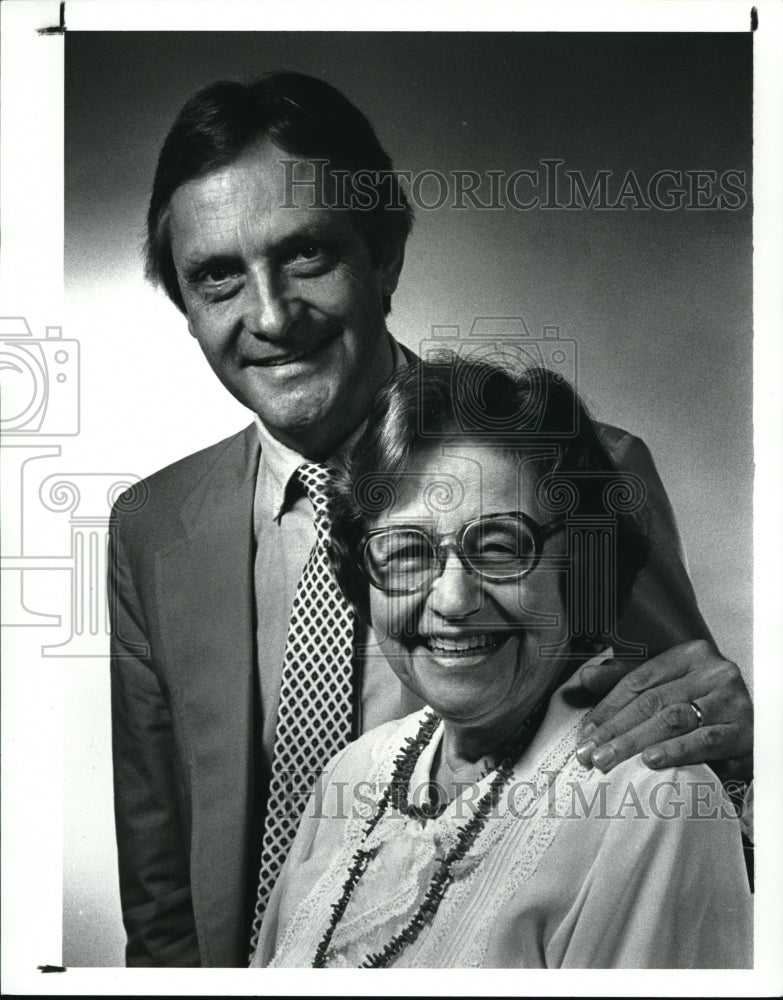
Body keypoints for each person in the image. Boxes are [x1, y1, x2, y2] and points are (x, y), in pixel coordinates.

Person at [109, 71, 752, 967]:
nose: (270, 315)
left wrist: (741, 742)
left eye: (306, 255)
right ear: (184, 306)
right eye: (217, 276)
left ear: (383, 260)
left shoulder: (582, 471)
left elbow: (694, 776)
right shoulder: (151, 524)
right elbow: (162, 894)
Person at [251, 360, 752, 968]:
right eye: (405, 552)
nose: (454, 599)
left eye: (500, 547)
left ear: (582, 567)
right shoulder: (354, 772)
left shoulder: (651, 798)